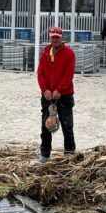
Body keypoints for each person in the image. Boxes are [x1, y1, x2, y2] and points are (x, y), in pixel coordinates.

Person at [37, 26, 77, 162]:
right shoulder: (45, 53)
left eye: (57, 37)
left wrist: (59, 90)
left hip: (64, 96)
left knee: (67, 125)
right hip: (47, 96)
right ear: (50, 37)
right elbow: (40, 73)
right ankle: (45, 154)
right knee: (46, 125)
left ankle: (69, 153)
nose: (55, 39)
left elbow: (68, 74)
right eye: (53, 37)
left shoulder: (69, 54)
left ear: (61, 38)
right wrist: (45, 90)